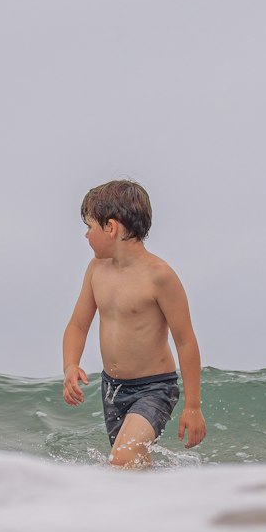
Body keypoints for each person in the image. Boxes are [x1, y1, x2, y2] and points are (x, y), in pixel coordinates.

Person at [62, 179, 207, 467]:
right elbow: (78, 325)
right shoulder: (96, 270)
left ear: (111, 227)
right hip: (112, 389)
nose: (86, 235)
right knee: (131, 465)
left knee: (123, 457)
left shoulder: (159, 276)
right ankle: (149, 507)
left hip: (155, 388)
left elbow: (185, 340)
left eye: (90, 226)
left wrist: (192, 406)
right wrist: (70, 365)